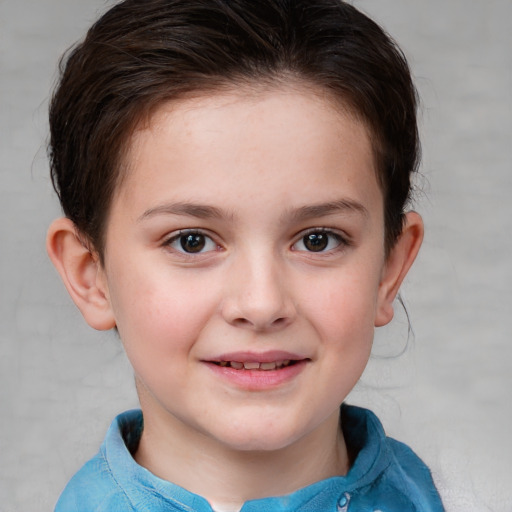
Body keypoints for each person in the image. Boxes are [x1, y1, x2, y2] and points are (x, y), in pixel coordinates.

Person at [46, 0, 444, 510]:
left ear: (389, 268)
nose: (261, 304)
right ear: (90, 275)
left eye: (317, 239)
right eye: (191, 241)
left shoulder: (413, 492)